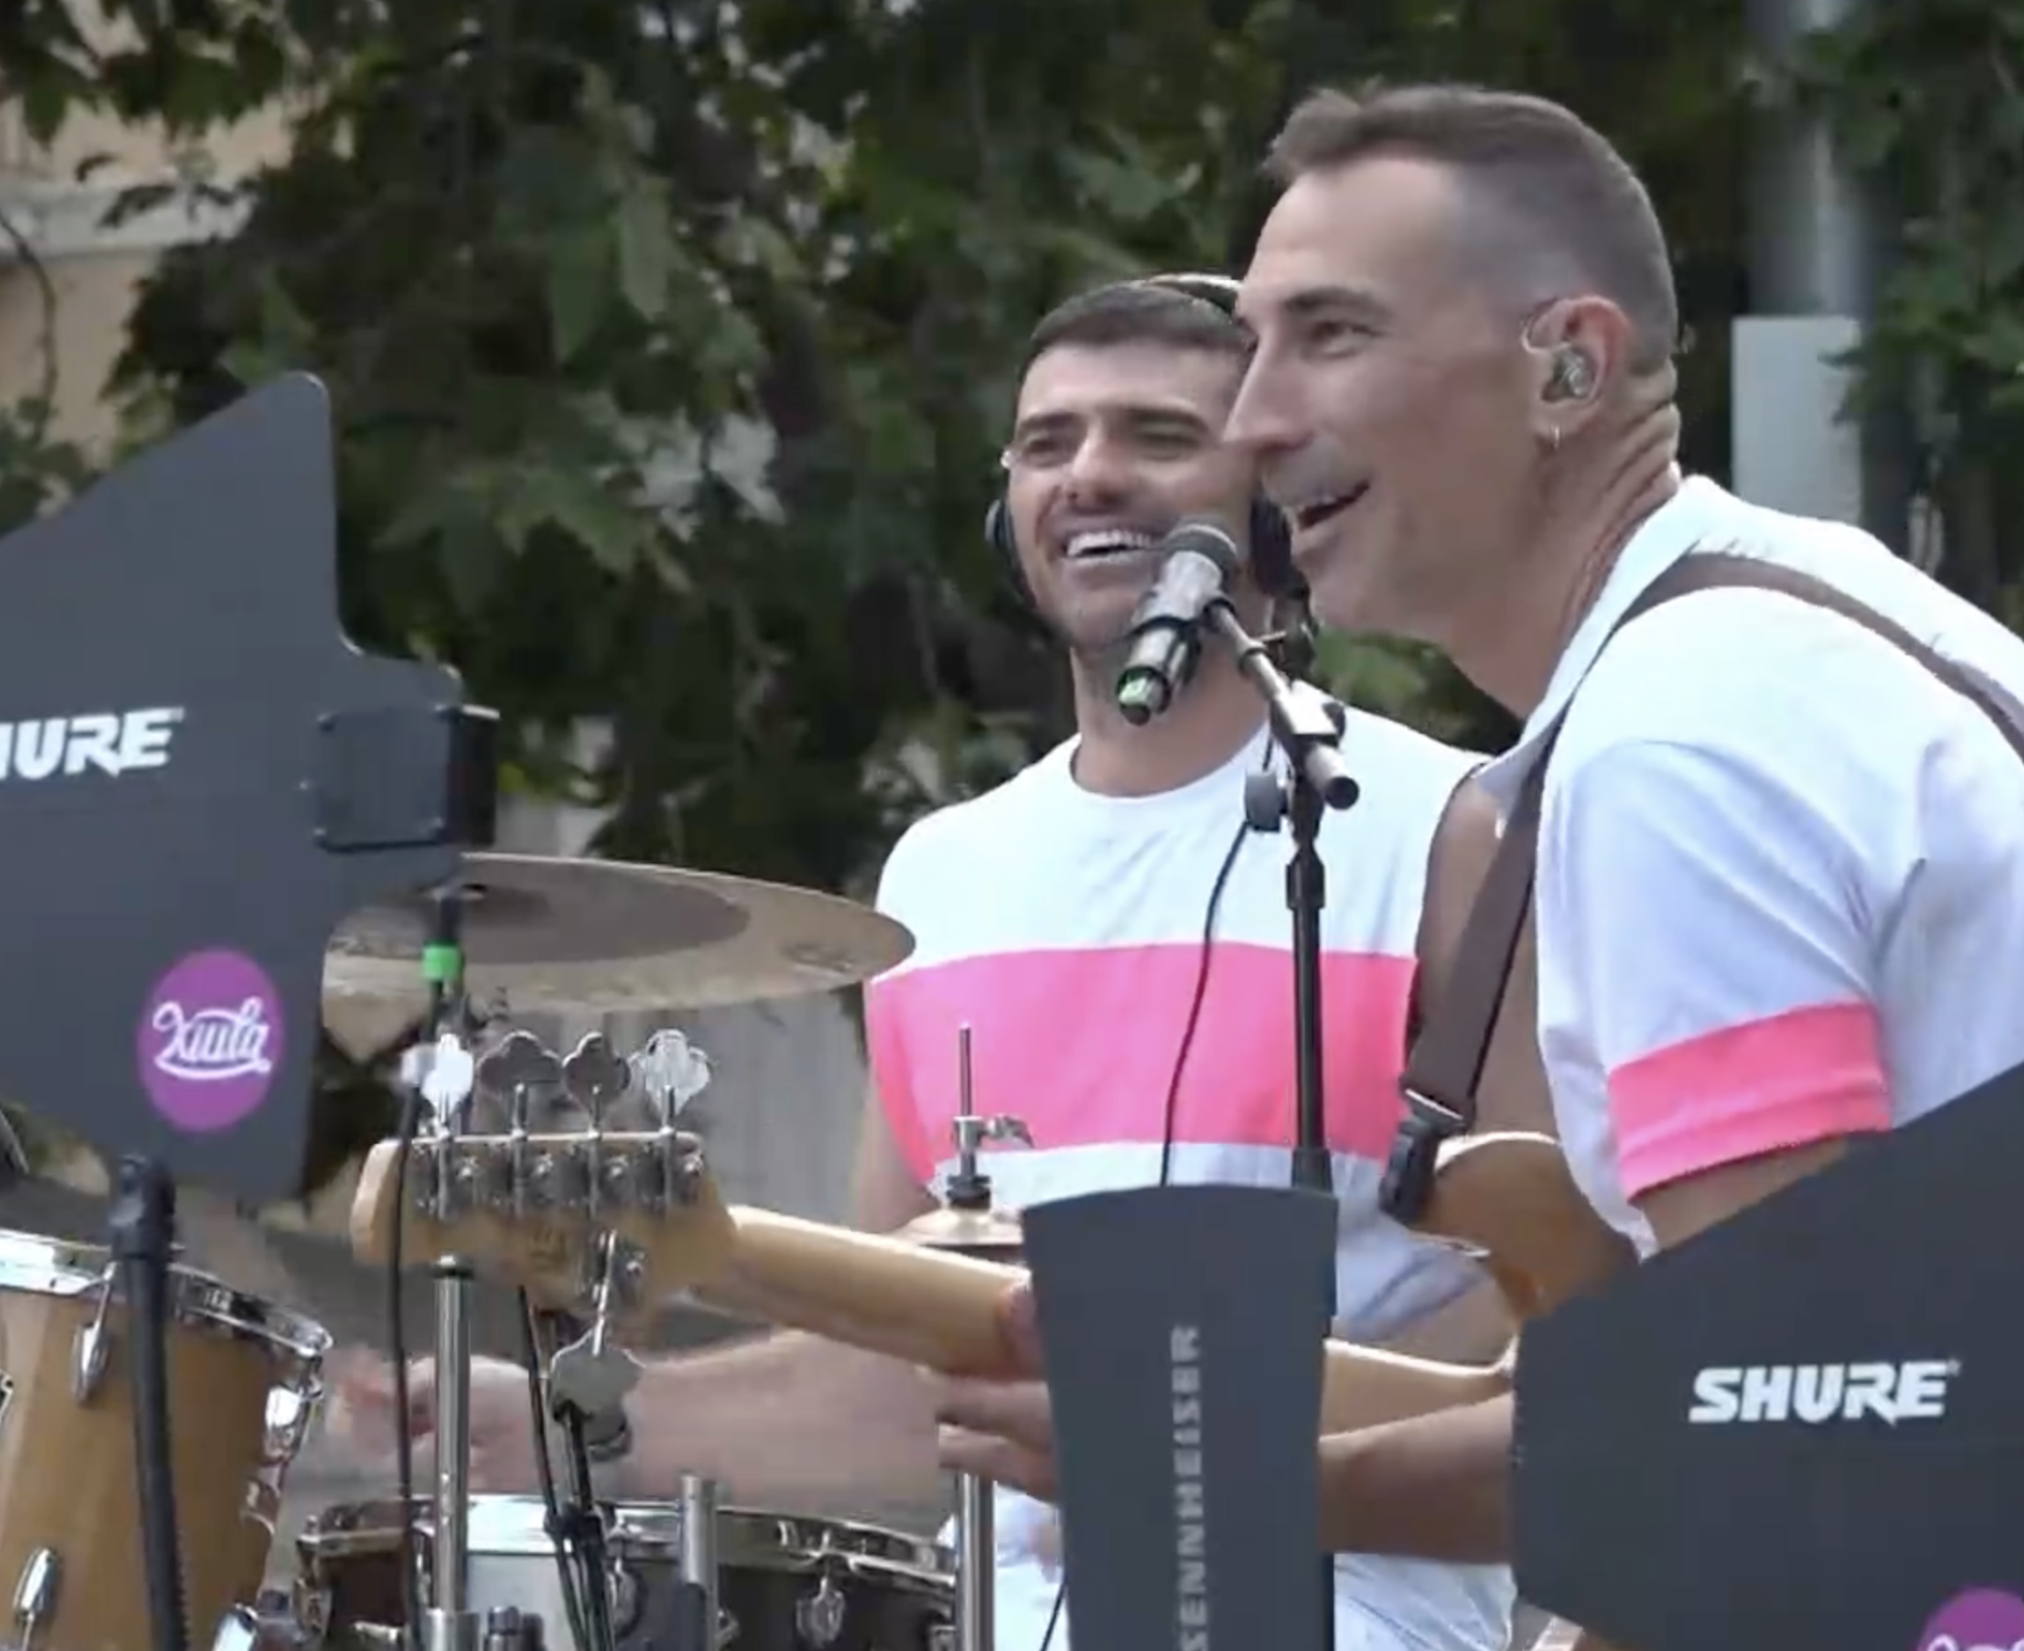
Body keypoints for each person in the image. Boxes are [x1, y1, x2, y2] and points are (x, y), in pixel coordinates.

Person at [933, 85, 2024, 1651]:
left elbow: (1766, 1420)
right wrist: (1964, 1363)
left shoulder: (1672, 752)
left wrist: (1233, 1477)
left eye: (1333, 335)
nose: (1257, 418)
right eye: (1257, 345)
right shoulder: (1865, 606)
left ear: (1569, 363)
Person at [329, 275, 1526, 1651]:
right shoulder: (945, 876)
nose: (1090, 474)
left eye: (1157, 435)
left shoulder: (1447, 831)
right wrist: (571, 1424)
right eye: (1047, 443)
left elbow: (1555, 1320)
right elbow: (895, 1381)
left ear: (1273, 494)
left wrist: (1209, 1434)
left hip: (1352, 1612)